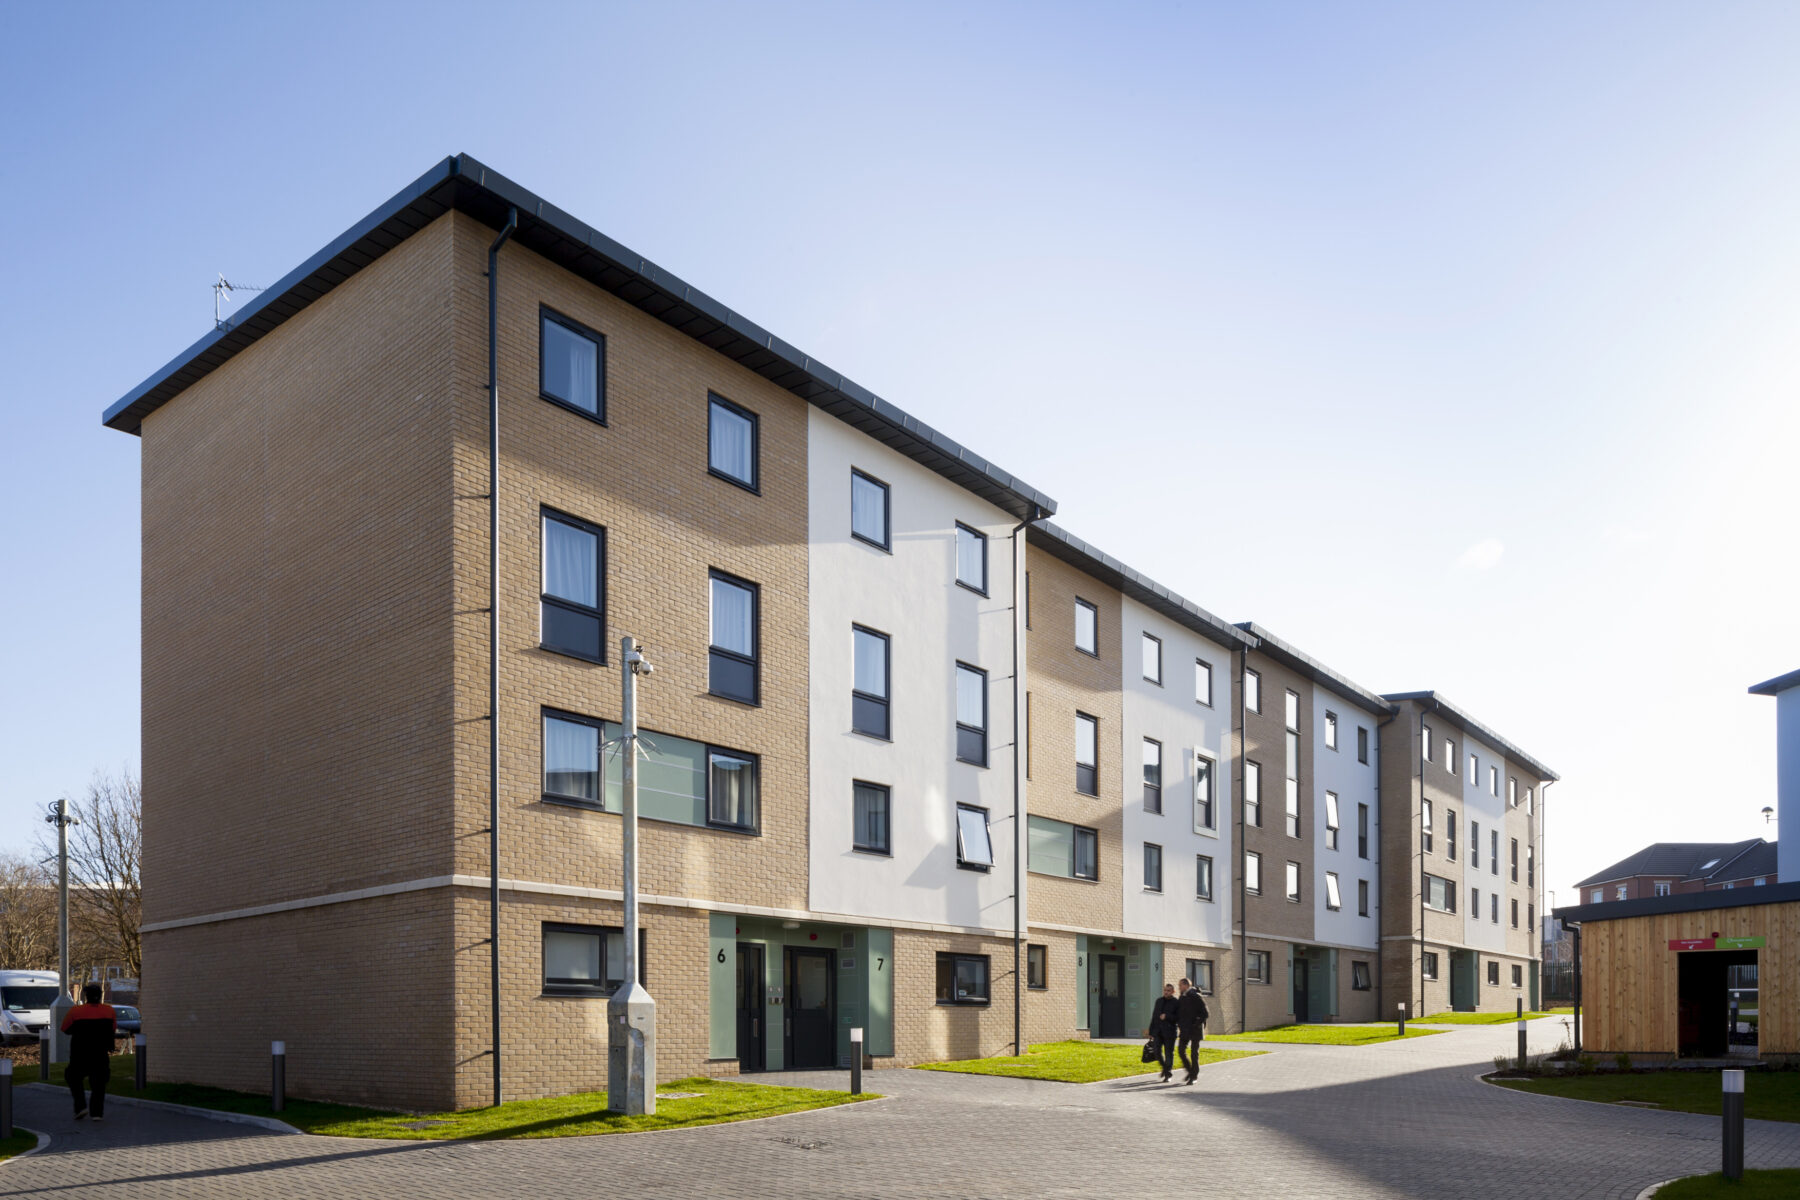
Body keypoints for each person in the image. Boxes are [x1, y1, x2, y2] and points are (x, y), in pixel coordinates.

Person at [61, 983, 117, 1121]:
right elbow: (113, 1029)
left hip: (80, 1053)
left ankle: (80, 1106)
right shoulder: (109, 1011)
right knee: (99, 1083)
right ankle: (97, 1113)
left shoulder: (75, 1011)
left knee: (73, 1078)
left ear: (86, 996)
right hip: (100, 1053)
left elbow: (65, 1028)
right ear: (100, 995)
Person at [1175, 977, 1209, 1084]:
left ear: (1186, 985)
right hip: (1185, 1030)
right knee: (1181, 1051)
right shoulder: (1182, 997)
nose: (1179, 987)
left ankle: (1194, 1076)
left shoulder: (1196, 996)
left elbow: (1205, 1014)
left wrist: (1195, 1024)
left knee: (1194, 1054)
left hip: (1195, 1030)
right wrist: (1179, 1023)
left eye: (1180, 985)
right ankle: (1191, 1071)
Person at [1149, 983, 1180, 1081]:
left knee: (1168, 1053)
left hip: (1170, 1032)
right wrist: (1151, 1031)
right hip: (1158, 1031)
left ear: (1173, 992)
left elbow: (1178, 1018)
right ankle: (1165, 1068)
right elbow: (1154, 1016)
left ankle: (1168, 1074)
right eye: (1165, 990)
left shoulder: (1176, 1002)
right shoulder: (1159, 1001)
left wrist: (1167, 1016)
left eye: (1168, 991)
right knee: (1157, 1052)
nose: (1166, 992)